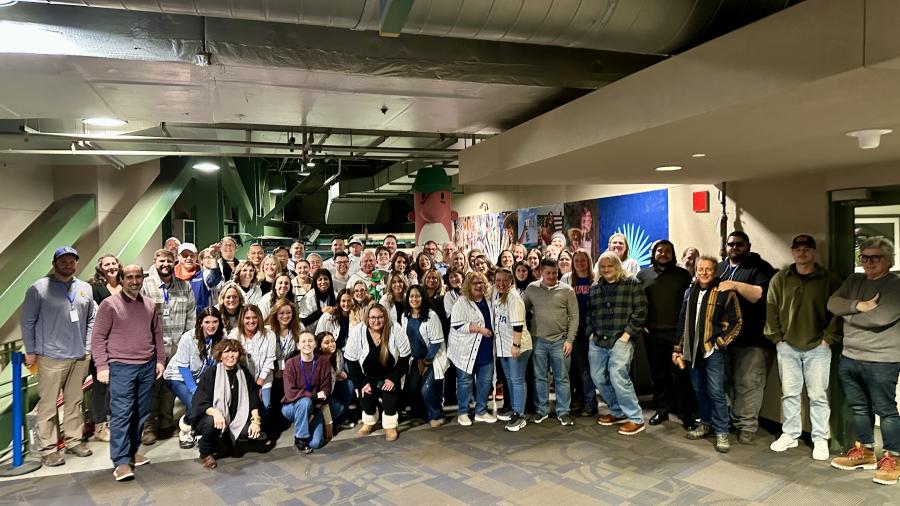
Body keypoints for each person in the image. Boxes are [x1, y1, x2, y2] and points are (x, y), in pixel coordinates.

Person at [828, 237, 900, 485]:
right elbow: (832, 303)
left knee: (886, 411)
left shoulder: (896, 285)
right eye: (865, 257)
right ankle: (866, 453)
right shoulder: (854, 280)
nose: (868, 262)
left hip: (882, 361)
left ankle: (893, 459)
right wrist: (859, 305)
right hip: (850, 357)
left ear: (889, 260)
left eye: (875, 257)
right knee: (859, 409)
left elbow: (880, 318)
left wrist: (848, 314)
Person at [765, 235, 842, 461]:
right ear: (792, 252)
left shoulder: (830, 280)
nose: (802, 252)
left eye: (807, 248)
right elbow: (771, 308)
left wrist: (828, 338)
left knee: (818, 395)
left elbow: (839, 312)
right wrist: (777, 338)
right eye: (798, 248)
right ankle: (790, 434)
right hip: (787, 345)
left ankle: (820, 438)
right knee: (789, 393)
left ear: (814, 252)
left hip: (818, 347)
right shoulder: (780, 279)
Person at [21, 246, 95, 466]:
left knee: (74, 402)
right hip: (50, 356)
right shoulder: (38, 289)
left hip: (79, 356)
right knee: (48, 405)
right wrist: (31, 351)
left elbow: (91, 318)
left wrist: (88, 347)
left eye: (72, 261)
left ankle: (73, 441)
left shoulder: (84, 288)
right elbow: (27, 322)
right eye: (63, 261)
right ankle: (49, 448)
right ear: (54, 263)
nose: (68, 264)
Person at [92, 263, 164, 481]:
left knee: (141, 413)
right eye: (129, 277)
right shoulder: (109, 305)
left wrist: (160, 360)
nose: (134, 281)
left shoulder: (150, 305)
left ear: (142, 279)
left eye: (138, 277)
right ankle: (121, 461)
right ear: (121, 280)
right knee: (121, 414)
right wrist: (102, 366)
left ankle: (132, 451)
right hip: (121, 367)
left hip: (147, 366)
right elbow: (98, 338)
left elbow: (157, 335)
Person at [674, 256, 743, 454]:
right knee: (699, 389)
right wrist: (677, 349)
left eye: (708, 269)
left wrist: (720, 342)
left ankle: (722, 431)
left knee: (716, 391)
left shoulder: (724, 292)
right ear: (695, 270)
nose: (704, 273)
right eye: (700, 269)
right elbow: (682, 322)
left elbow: (736, 321)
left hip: (712, 351)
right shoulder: (689, 292)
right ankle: (705, 424)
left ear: (715, 271)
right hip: (691, 350)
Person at [716, 230, 777, 444]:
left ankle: (747, 427)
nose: (735, 248)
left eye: (739, 244)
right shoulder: (721, 267)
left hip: (754, 339)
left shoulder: (761, 268)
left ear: (748, 246)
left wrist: (735, 285)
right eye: (731, 244)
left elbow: (760, 295)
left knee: (748, 385)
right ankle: (732, 422)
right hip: (725, 339)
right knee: (726, 383)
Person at [586, 252, 648, 436]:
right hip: (598, 339)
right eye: (602, 267)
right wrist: (589, 332)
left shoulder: (632, 283)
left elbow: (641, 311)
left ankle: (636, 418)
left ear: (617, 266)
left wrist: (628, 334)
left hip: (622, 338)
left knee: (618, 375)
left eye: (609, 266)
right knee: (597, 376)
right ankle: (617, 410)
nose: (606, 270)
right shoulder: (595, 287)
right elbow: (589, 313)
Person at [637, 240, 696, 429]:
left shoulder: (683, 275)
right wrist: (642, 323)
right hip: (652, 333)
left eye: (668, 251)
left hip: (677, 334)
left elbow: (690, 303)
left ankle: (685, 413)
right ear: (653, 253)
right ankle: (661, 411)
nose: (663, 254)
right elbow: (637, 302)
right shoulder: (642, 275)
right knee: (658, 374)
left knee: (680, 374)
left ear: (673, 254)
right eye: (660, 250)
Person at [141, 248, 196, 445]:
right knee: (151, 387)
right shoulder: (145, 285)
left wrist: (186, 342)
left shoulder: (184, 286)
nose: (166, 264)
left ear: (174, 263)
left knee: (170, 386)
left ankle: (165, 423)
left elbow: (191, 315)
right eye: (162, 260)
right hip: (153, 346)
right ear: (155, 260)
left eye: (169, 261)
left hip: (177, 345)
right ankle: (148, 426)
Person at [189, 339, 265, 469]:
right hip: (211, 418)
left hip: (234, 419)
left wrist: (256, 421)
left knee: (249, 432)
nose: (231, 355)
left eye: (234, 351)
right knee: (212, 422)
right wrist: (216, 413)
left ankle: (222, 440)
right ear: (220, 355)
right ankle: (205, 451)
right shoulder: (211, 373)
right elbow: (200, 401)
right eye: (226, 352)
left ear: (239, 354)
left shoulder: (243, 372)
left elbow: (253, 397)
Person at [523, 258, 579, 426]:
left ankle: (564, 411)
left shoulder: (567, 290)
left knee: (562, 378)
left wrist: (570, 340)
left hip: (560, 341)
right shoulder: (531, 289)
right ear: (540, 272)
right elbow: (521, 310)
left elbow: (575, 316)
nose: (552, 276)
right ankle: (542, 410)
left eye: (555, 273)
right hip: (538, 340)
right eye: (548, 273)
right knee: (539, 377)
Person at [345, 303, 411, 441]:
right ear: (367, 318)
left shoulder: (395, 328)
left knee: (389, 397)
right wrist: (362, 383)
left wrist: (393, 378)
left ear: (385, 317)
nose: (376, 321)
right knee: (366, 398)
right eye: (373, 317)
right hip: (367, 376)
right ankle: (370, 422)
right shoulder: (358, 331)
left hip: (389, 376)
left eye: (380, 317)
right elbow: (350, 360)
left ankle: (390, 425)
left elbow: (405, 355)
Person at [164, 307, 225, 450]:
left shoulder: (222, 337)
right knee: (196, 403)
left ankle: (200, 430)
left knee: (210, 402)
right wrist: (194, 390)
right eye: (207, 322)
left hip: (200, 378)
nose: (211, 326)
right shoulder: (188, 338)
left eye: (215, 321)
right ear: (200, 323)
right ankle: (185, 429)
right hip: (178, 376)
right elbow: (183, 368)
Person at [449, 271, 496, 426]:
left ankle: (481, 411)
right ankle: (463, 412)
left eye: (481, 282)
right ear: (468, 285)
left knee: (485, 381)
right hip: (465, 350)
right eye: (475, 283)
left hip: (486, 348)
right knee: (465, 382)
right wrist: (479, 329)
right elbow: (457, 325)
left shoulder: (488, 301)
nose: (478, 285)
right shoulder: (462, 302)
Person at [401, 285, 448, 427]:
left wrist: (426, 361)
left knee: (426, 389)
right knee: (414, 386)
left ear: (423, 298)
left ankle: (436, 415)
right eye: (411, 296)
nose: (414, 299)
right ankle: (419, 415)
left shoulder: (431, 316)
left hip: (432, 358)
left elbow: (436, 342)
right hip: (415, 358)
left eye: (417, 296)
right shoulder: (405, 316)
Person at [88, 253, 123, 443]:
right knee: (101, 385)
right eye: (106, 264)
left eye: (113, 263)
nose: (111, 267)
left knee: (120, 385)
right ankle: (100, 427)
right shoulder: (95, 288)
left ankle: (117, 423)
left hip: (124, 344)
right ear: (100, 268)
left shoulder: (125, 283)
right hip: (103, 343)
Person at [492, 268, 533, 432]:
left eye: (505, 281)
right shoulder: (500, 296)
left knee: (517, 380)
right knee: (510, 379)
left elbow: (518, 325)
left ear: (511, 282)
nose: (501, 283)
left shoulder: (514, 298)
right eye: (498, 280)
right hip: (505, 347)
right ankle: (513, 408)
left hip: (517, 346)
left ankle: (520, 414)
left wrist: (516, 345)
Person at [281, 330, 333, 453]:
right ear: (298, 345)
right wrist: (313, 396)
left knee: (316, 443)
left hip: (315, 407)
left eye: (310, 341)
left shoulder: (323, 362)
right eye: (303, 341)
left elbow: (326, 390)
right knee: (305, 402)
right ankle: (300, 439)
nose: (307, 344)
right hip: (291, 406)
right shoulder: (291, 363)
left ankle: (303, 422)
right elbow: (290, 393)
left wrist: (314, 412)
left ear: (315, 344)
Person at [560, 250, 597, 417]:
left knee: (586, 369)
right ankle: (580, 399)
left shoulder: (596, 278)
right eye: (577, 261)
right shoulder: (567, 279)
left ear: (588, 261)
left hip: (590, 331)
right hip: (572, 330)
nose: (580, 263)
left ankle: (590, 403)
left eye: (583, 260)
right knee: (574, 369)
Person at [228, 305, 276, 414]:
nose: (251, 321)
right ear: (242, 319)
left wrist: (259, 383)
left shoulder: (269, 335)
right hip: (242, 380)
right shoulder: (234, 336)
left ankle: (262, 429)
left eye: (254, 317)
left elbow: (270, 360)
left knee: (266, 406)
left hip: (263, 379)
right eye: (247, 318)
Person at [316, 331, 354, 430]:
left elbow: (337, 373)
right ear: (319, 346)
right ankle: (325, 421)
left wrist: (339, 374)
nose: (331, 344)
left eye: (332, 341)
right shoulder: (316, 360)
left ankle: (340, 421)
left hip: (332, 386)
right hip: (320, 394)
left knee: (349, 385)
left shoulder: (338, 353)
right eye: (326, 342)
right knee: (338, 408)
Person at [174, 243, 223, 313]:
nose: (189, 258)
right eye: (185, 255)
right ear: (178, 257)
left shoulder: (202, 274)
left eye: (192, 256)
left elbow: (214, 280)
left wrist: (213, 257)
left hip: (198, 319)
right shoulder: (171, 275)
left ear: (196, 257)